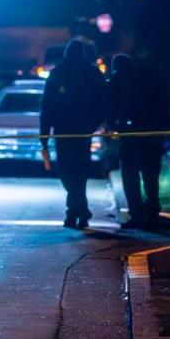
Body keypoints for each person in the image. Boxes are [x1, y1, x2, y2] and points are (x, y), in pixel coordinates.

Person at [40, 40, 106, 229]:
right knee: (79, 172)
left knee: (67, 172)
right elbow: (103, 103)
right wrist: (93, 125)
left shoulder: (58, 73)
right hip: (83, 131)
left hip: (64, 131)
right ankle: (80, 211)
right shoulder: (93, 73)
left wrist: (44, 137)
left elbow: (46, 107)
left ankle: (75, 212)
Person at [108, 54, 169, 229]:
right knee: (151, 176)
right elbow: (163, 103)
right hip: (153, 135)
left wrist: (113, 125)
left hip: (130, 137)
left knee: (130, 176)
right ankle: (153, 212)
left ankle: (137, 214)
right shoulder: (152, 77)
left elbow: (112, 106)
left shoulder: (118, 79)